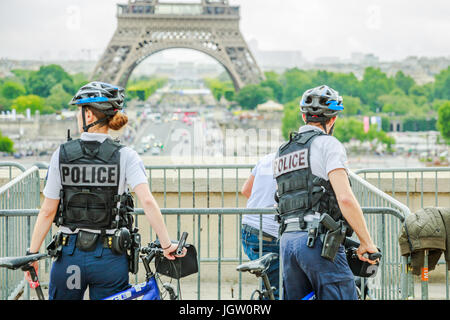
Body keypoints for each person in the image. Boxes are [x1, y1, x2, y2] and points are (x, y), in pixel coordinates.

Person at [24, 82, 185, 300]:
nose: (76, 117)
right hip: (110, 256)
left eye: (78, 112)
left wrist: (32, 254)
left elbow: (47, 211)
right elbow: (147, 201)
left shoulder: (61, 154)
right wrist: (166, 244)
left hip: (69, 255)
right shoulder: (126, 155)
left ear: (89, 115)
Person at [274, 85, 379, 300]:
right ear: (333, 120)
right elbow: (345, 198)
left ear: (304, 116)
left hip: (288, 241)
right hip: (318, 244)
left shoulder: (283, 151)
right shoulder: (328, 144)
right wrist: (366, 242)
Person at [241, 152, 280, 299]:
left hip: (249, 229)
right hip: (268, 233)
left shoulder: (266, 159)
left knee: (272, 285)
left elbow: (246, 190)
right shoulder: (292, 159)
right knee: (276, 289)